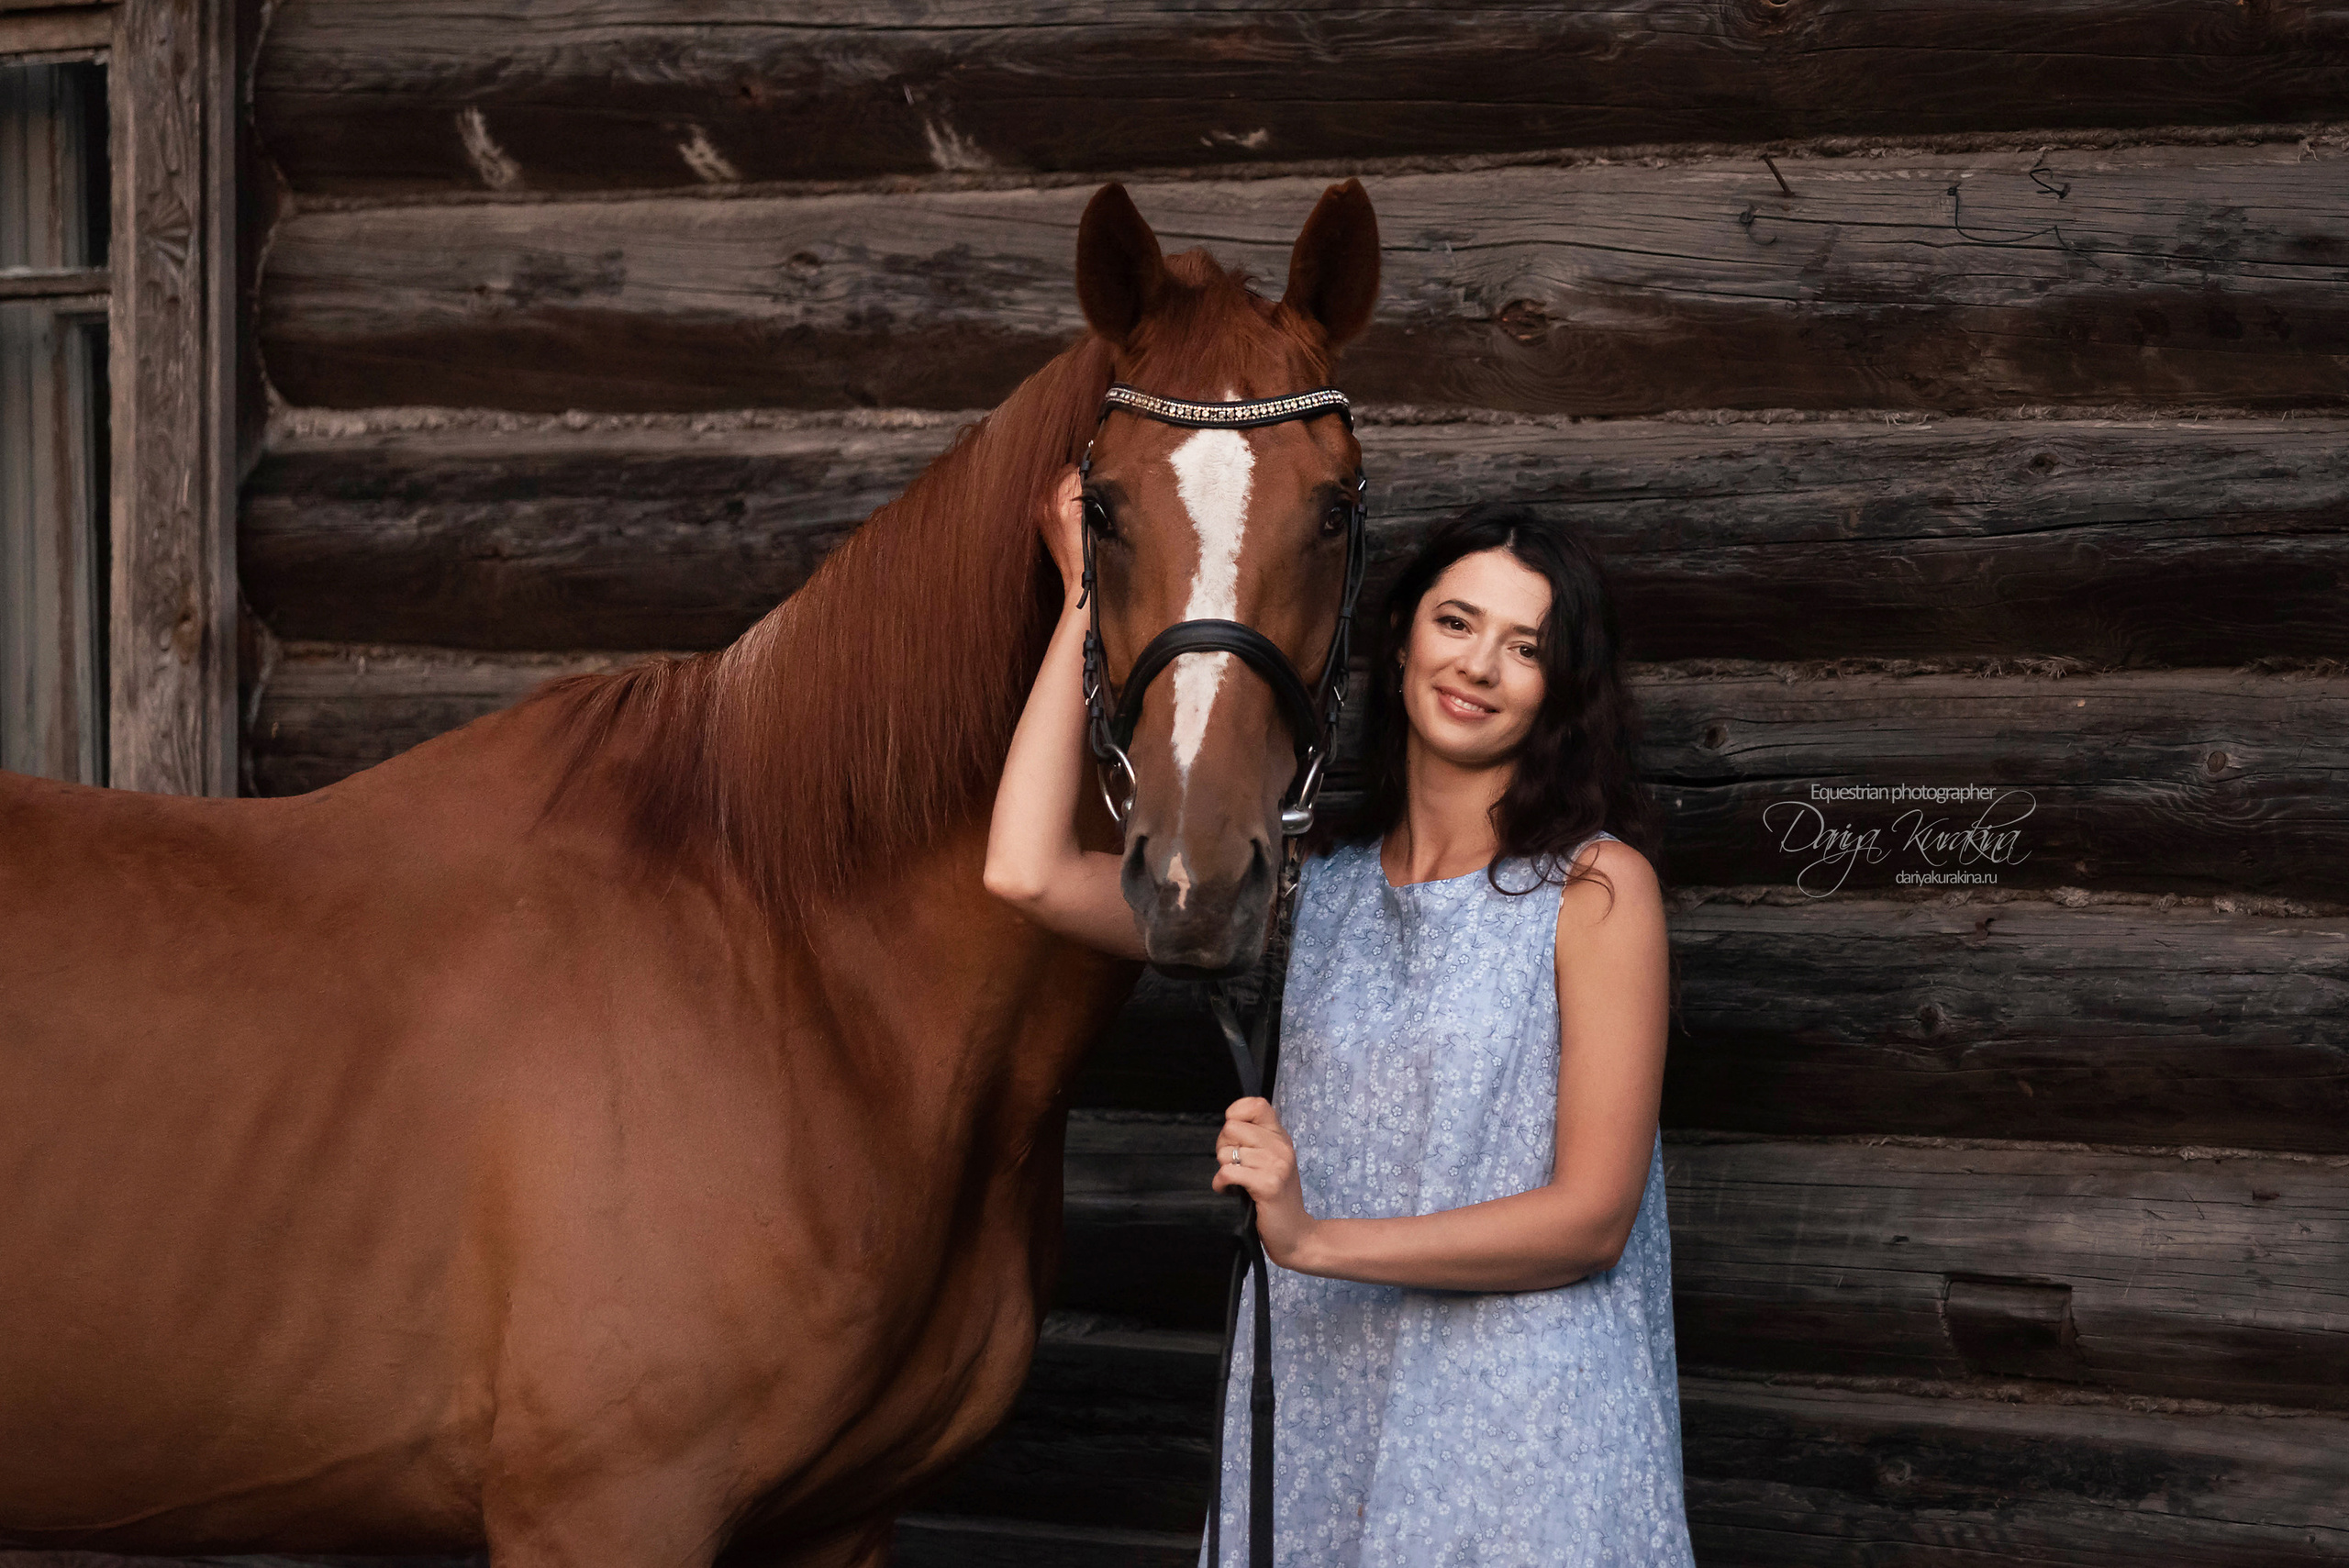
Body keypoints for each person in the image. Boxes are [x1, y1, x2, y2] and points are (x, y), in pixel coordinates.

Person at [985, 483, 1694, 1567]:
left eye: (1525, 646)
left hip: (1526, 1430)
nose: (1477, 665)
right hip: (1322, 1411)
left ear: (1561, 688)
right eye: (1456, 622)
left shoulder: (1595, 889)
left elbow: (1590, 1218)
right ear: (1401, 635)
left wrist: (1315, 1239)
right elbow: (1027, 870)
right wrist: (1086, 596)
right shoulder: (1308, 894)